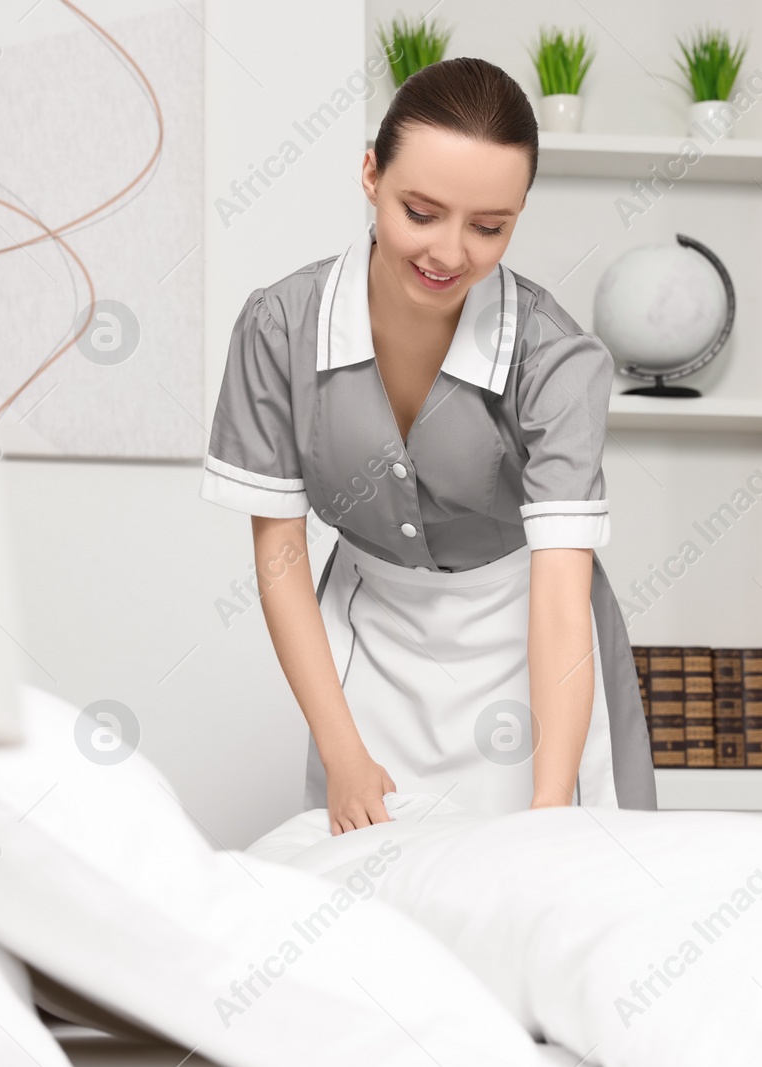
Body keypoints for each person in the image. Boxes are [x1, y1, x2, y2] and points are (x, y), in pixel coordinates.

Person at [200, 57, 657, 834]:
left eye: (489, 227)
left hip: (532, 647)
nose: (450, 253)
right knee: (363, 909)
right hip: (371, 649)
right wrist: (344, 753)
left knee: (554, 899)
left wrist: (550, 805)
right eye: (421, 211)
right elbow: (279, 553)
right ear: (371, 173)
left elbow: (559, 590)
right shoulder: (280, 328)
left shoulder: (554, 357)